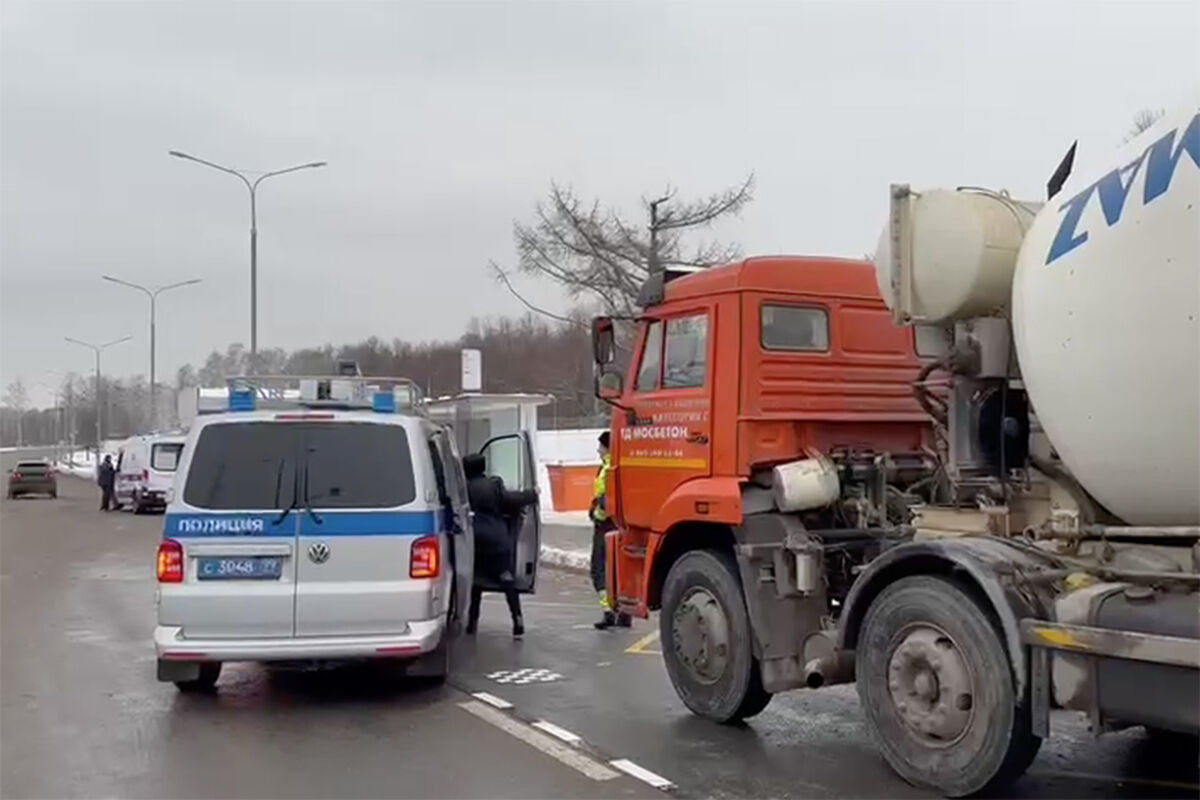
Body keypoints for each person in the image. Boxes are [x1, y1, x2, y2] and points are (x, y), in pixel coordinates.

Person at [463, 453, 537, 637]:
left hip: (474, 539)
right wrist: (532, 493)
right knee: (506, 577)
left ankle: (472, 623)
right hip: (497, 538)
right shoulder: (493, 485)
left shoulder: (463, 488)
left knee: (476, 582)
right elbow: (511, 500)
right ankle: (517, 619)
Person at [591, 432, 630, 630]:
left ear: (607, 447)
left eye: (601, 446)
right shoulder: (619, 464)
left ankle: (609, 611)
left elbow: (606, 500)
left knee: (598, 569)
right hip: (619, 523)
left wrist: (597, 510)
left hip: (605, 524)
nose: (598, 450)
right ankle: (623, 612)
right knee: (618, 568)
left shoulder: (608, 467)